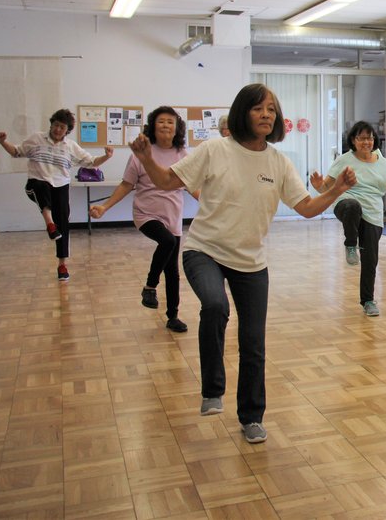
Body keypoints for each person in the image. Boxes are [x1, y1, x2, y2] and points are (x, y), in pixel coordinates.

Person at [128, 83, 356, 444]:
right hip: (204, 251)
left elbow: (307, 208)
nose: (266, 114)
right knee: (215, 305)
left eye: (271, 109)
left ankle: (251, 417)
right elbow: (166, 180)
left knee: (253, 343)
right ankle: (212, 390)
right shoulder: (216, 149)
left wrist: (336, 191)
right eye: (258, 108)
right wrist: (145, 159)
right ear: (242, 112)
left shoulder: (279, 162)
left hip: (251, 261)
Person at [90, 106, 195, 333]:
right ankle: (150, 286)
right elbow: (127, 185)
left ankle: (173, 316)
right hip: (146, 214)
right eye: (161, 121)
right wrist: (104, 207)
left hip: (173, 216)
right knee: (166, 242)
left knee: (173, 271)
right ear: (153, 126)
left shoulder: (183, 155)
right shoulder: (141, 153)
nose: (166, 125)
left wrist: (213, 202)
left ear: (177, 128)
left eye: (170, 122)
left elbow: (193, 186)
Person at [311, 121, 386, 317]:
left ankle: (368, 301)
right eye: (362, 138)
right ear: (354, 140)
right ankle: (351, 244)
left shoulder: (382, 162)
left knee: (370, 260)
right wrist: (319, 186)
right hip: (345, 205)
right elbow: (326, 188)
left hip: (373, 213)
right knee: (353, 205)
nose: (366, 142)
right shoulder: (344, 160)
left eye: (369, 138)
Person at [0, 109, 113, 281]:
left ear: (67, 130)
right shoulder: (36, 139)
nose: (58, 129)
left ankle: (62, 264)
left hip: (61, 186)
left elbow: (91, 162)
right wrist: (3, 141)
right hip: (36, 184)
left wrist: (107, 156)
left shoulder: (71, 147)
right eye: (56, 125)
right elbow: (16, 151)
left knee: (63, 223)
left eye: (62, 127)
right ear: (51, 125)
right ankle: (50, 224)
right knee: (42, 187)